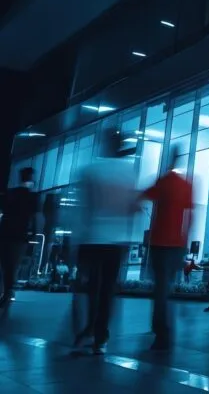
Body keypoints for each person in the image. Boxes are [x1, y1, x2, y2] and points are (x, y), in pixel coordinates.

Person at [72, 130, 139, 355]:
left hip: (92, 237)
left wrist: (75, 239)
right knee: (108, 289)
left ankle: (89, 327)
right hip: (116, 240)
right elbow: (133, 208)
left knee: (92, 287)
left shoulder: (91, 170)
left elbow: (85, 207)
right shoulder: (128, 172)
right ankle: (101, 336)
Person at [141, 148, 193, 351]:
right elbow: (190, 217)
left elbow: (142, 197)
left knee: (160, 289)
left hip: (160, 242)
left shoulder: (163, 182)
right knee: (167, 287)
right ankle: (164, 328)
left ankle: (161, 330)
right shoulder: (186, 186)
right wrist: (185, 241)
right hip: (177, 244)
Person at [0, 167, 39, 308]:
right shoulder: (32, 196)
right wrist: (33, 233)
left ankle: (6, 291)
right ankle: (8, 292)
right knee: (13, 264)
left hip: (5, 232)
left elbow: (4, 210)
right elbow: (34, 217)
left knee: (5, 264)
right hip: (20, 235)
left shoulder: (11, 193)